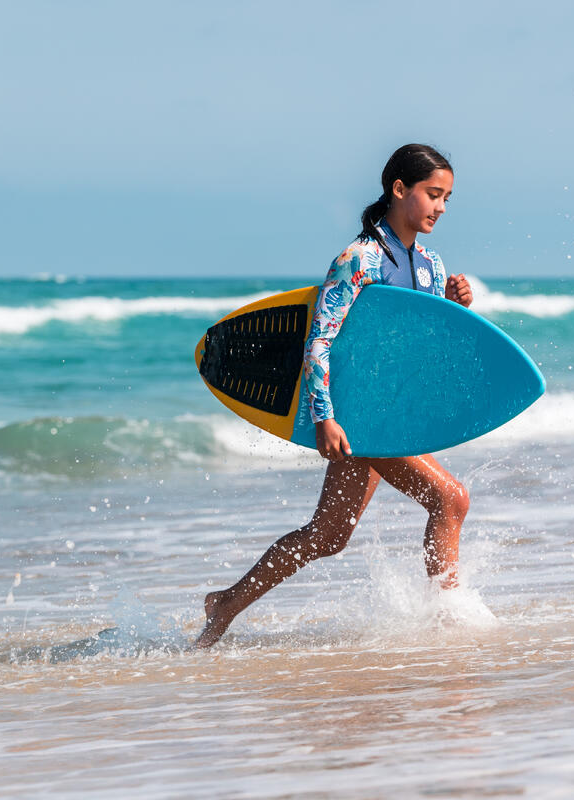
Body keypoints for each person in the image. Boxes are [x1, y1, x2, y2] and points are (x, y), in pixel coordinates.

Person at [195, 144, 473, 648]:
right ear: (399, 189)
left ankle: (225, 602)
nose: (441, 208)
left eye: (447, 198)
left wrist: (453, 308)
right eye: (433, 195)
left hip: (387, 414)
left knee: (327, 534)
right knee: (450, 499)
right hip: (357, 415)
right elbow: (319, 339)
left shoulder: (431, 266)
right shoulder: (358, 259)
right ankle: (447, 618)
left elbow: (419, 345)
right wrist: (324, 416)